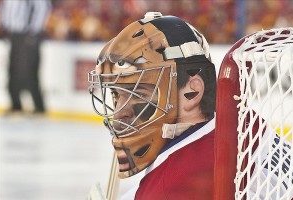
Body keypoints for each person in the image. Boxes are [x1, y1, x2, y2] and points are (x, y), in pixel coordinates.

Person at [88, 12, 216, 199]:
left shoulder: (172, 184)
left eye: (138, 93)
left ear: (192, 92)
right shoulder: (242, 123)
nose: (118, 114)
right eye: (116, 94)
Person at [0, 0, 51, 115]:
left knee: (29, 71)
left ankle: (39, 107)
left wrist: (33, 32)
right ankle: (16, 105)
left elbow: (42, 8)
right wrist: (3, 28)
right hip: (14, 35)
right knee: (13, 71)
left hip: (27, 36)